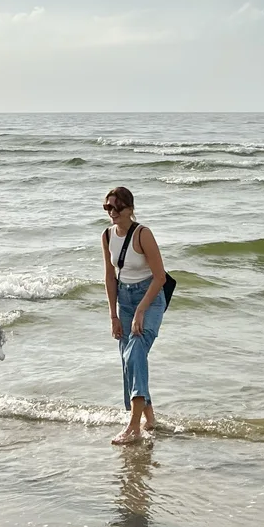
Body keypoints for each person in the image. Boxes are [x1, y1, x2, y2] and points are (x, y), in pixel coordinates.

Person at [101, 186, 168, 445]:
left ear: (130, 209)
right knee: (127, 358)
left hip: (149, 298)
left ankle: (133, 426)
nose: (112, 212)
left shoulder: (143, 234)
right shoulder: (107, 236)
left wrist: (141, 309)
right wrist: (113, 316)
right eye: (108, 207)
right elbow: (109, 276)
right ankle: (149, 418)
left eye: (117, 207)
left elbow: (160, 277)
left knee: (136, 350)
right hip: (125, 301)